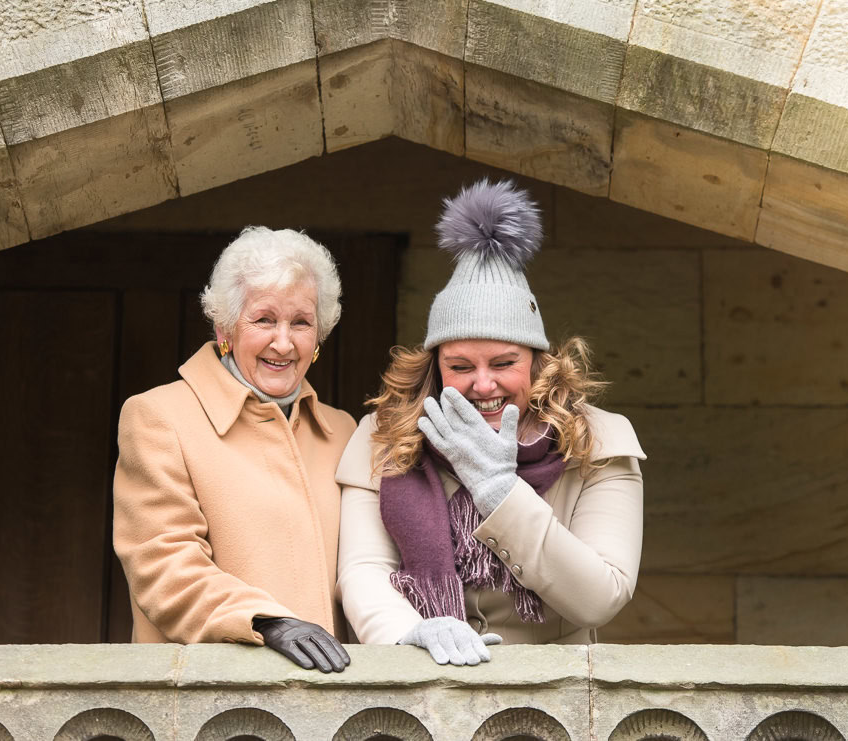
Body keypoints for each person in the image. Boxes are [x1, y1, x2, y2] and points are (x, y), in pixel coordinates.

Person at [336, 180, 646, 666]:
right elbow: (364, 570)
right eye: (461, 367)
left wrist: (500, 490)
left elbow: (600, 596)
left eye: (503, 363)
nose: (483, 385)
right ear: (435, 368)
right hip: (418, 680)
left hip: (551, 692)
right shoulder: (382, 437)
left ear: (538, 363)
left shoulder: (598, 440)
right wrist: (410, 631)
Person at [114, 226, 356, 672]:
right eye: (264, 320)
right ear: (225, 327)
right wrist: (264, 622)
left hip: (333, 703)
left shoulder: (342, 431)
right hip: (212, 701)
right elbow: (163, 567)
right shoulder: (158, 417)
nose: (283, 343)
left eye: (300, 322)